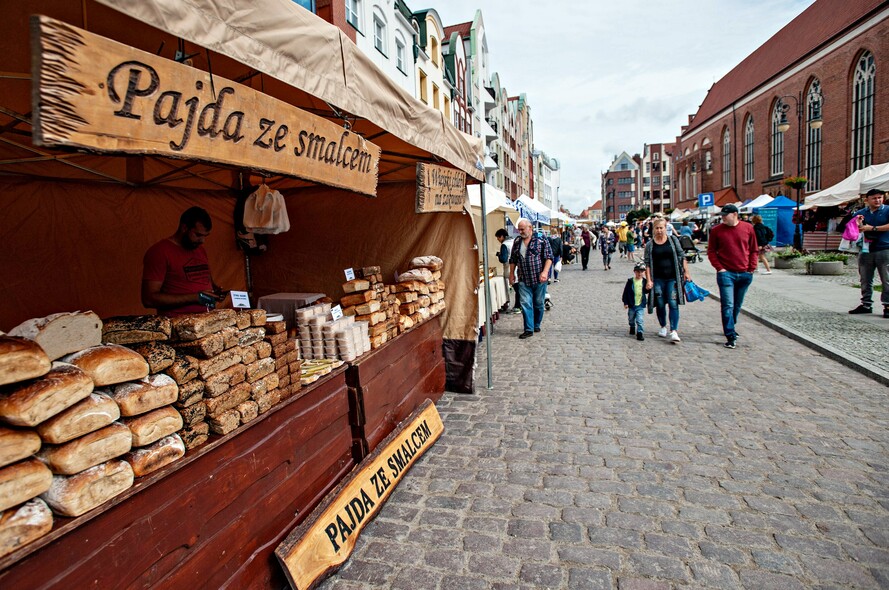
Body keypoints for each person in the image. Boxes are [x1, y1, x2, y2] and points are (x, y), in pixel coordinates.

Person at [142, 207, 227, 317]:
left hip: (207, 320)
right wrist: (195, 297)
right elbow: (149, 299)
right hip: (178, 322)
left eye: (205, 236)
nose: (202, 241)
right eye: (198, 235)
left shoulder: (199, 249)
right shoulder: (160, 252)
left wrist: (215, 292)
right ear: (184, 228)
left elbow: (206, 280)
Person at [707, 204, 758, 348]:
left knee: (737, 304)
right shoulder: (716, 231)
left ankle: (732, 325)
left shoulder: (748, 228)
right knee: (727, 304)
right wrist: (720, 268)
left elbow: (754, 249)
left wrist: (751, 268)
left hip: (744, 273)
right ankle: (730, 334)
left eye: (725, 215)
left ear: (735, 214)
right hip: (726, 273)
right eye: (722, 215)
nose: (723, 217)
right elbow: (711, 251)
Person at [643, 217, 690, 343]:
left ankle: (674, 330)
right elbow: (647, 263)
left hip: (672, 278)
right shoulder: (650, 245)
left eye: (661, 228)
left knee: (673, 302)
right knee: (660, 303)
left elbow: (682, 256)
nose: (659, 230)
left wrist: (686, 272)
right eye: (657, 228)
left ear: (665, 228)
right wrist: (648, 280)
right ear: (653, 230)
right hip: (657, 278)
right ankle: (663, 326)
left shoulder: (673, 241)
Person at [509, 218, 553, 339]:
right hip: (524, 278)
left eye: (522, 229)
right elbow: (513, 259)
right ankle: (528, 328)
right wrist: (511, 273)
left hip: (539, 278)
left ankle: (536, 324)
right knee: (525, 303)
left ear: (530, 228)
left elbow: (549, 257)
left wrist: (545, 272)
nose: (520, 232)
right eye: (519, 229)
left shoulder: (541, 239)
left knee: (538, 304)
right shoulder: (517, 241)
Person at [848, 188, 889, 317]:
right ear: (867, 200)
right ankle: (866, 304)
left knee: (886, 279)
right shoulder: (860, 212)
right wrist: (858, 224)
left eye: (880, 198)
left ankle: (887, 305)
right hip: (866, 249)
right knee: (865, 278)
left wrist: (873, 228)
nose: (877, 200)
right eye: (874, 198)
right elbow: (851, 228)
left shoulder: (887, 210)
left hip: (884, 248)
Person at [622, 262, 648, 341]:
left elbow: (647, 291)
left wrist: (649, 287)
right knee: (631, 318)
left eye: (641, 272)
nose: (640, 273)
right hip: (632, 304)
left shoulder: (644, 281)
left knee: (640, 320)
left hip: (640, 305)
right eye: (638, 271)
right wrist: (625, 302)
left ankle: (640, 333)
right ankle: (632, 326)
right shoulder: (630, 281)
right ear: (634, 272)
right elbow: (625, 292)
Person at [495, 228, 512, 311]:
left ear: (502, 236)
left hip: (508, 267)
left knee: (507, 286)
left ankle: (507, 302)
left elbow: (503, 259)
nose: (498, 240)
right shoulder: (513, 241)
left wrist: (499, 255)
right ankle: (518, 304)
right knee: (517, 287)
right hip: (516, 267)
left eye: (498, 238)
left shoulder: (504, 245)